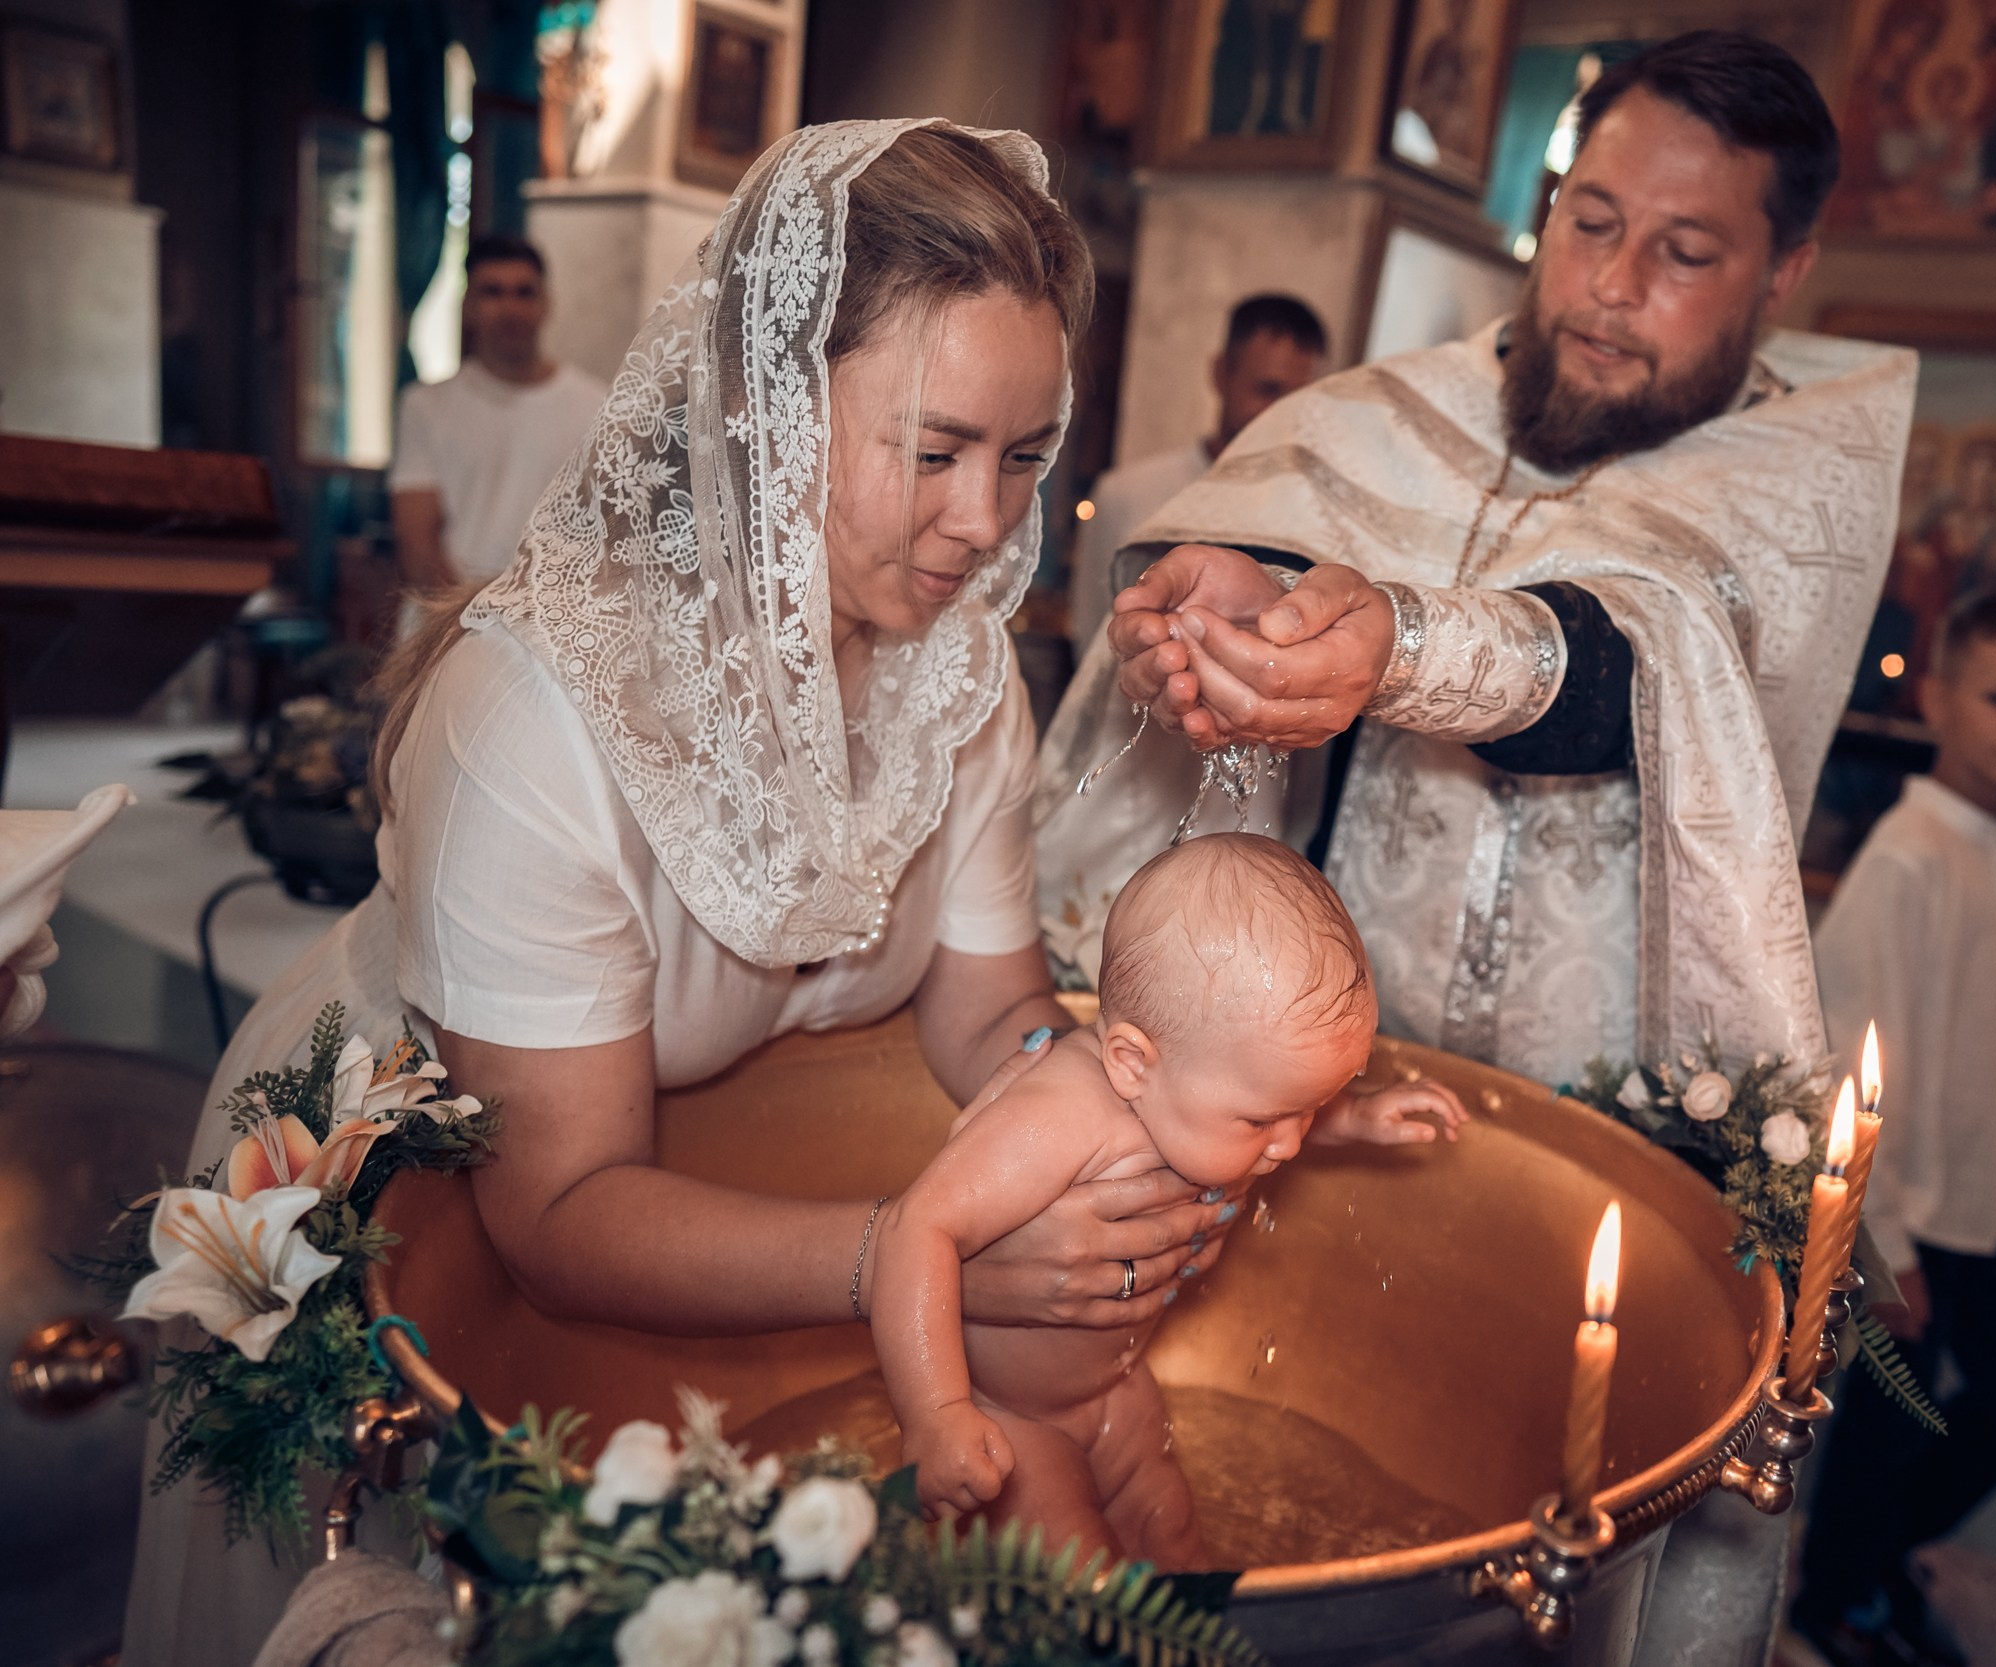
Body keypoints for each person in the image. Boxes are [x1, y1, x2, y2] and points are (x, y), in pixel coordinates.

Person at [123, 120, 1232, 1667]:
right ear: (766, 409)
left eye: (1026, 457)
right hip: (409, 1197)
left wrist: (1116, 1138)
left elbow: (988, 1010)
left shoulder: (961, 679)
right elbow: (559, 1208)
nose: (986, 524)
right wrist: (925, 1246)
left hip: (736, 1187)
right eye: (934, 449)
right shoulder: (536, 721)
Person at [1039, 31, 1915, 1093]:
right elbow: (1275, 575)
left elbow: (1625, 669)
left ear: (1783, 274)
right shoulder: (1379, 411)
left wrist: (1393, 649)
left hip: (1592, 1100)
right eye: (1589, 222)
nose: (1612, 284)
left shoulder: (1799, 482)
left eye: (1683, 253)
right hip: (1304, 1072)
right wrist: (1228, 632)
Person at [874, 833, 1466, 1566]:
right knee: (1086, 1592)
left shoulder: (1198, 1084)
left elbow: (1274, 1105)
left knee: (1173, 1543)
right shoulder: (1061, 1115)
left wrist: (1355, 1117)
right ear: (1130, 1063)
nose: (1285, 1144)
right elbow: (914, 1226)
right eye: (1260, 1121)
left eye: (1310, 1109)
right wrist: (935, 1416)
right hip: (1016, 1415)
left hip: (1117, 1385)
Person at [1790, 590, 1996, 1667]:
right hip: (1920, 1211)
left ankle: (1871, 1554)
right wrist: (1887, 1239)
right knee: (1889, 1415)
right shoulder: (1905, 858)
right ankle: (1831, 1601)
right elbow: (1862, 1058)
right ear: (1938, 695)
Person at [1066, 293, 1327, 646]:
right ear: (1221, 374)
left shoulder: (1314, 516)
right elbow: (1092, 640)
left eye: (1298, 399)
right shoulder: (1126, 495)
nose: (1282, 415)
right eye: (1268, 390)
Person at [388, 235, 607, 613]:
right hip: (447, 621)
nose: (510, 308)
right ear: (468, 306)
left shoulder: (597, 404)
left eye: (524, 293)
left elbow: (606, 531)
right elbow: (418, 544)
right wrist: (472, 621)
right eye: (492, 292)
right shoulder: (425, 405)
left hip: (554, 623)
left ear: (546, 305)